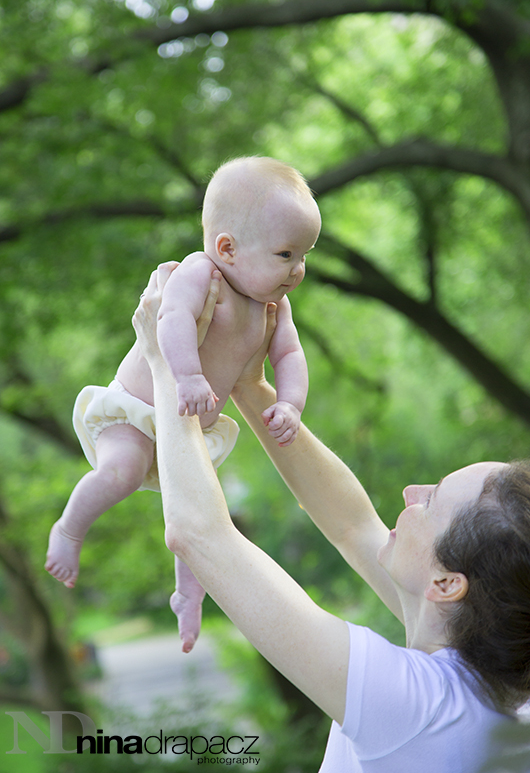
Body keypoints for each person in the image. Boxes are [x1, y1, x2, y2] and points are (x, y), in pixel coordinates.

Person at [131, 261, 530, 772]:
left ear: (448, 582)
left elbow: (200, 534)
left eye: (430, 502)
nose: (411, 492)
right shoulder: (503, 681)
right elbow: (350, 523)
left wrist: (166, 362)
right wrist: (250, 386)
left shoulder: (419, 709)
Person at [44, 156, 321, 653]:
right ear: (227, 248)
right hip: (137, 412)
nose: (297, 269)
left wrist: (292, 405)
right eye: (285, 254)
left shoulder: (275, 305)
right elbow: (169, 319)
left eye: (304, 255)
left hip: (187, 430)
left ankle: (188, 597)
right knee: (122, 472)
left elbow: (290, 355)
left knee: (200, 515)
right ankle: (69, 528)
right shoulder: (200, 273)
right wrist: (188, 375)